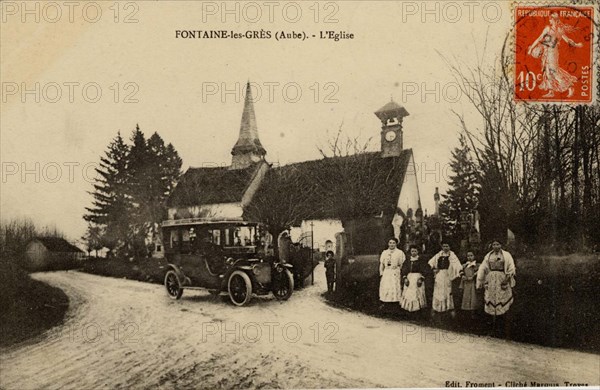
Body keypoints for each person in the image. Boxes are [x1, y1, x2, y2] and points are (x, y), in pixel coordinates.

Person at [527, 12, 583, 98]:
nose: (550, 21)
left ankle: (570, 86)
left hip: (553, 53)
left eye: (551, 19)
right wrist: (531, 48)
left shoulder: (560, 30)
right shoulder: (547, 29)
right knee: (547, 72)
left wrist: (576, 45)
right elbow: (539, 38)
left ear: (555, 20)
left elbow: (567, 40)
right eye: (550, 19)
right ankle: (551, 91)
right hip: (546, 52)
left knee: (554, 71)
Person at [476, 240, 516, 317]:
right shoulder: (488, 255)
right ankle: (492, 318)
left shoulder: (506, 255)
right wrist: (481, 280)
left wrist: (506, 280)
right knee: (490, 297)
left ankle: (502, 317)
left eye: (497, 244)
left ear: (501, 245)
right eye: (494, 244)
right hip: (491, 279)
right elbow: (483, 267)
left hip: (502, 278)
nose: (495, 246)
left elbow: (511, 268)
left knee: (502, 297)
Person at [428, 243, 461, 316]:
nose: (445, 248)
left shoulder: (452, 255)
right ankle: (437, 309)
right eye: (444, 246)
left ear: (449, 247)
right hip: (439, 275)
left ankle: (447, 308)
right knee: (438, 291)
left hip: (447, 274)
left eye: (447, 246)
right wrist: (434, 269)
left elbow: (457, 266)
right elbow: (431, 262)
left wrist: (456, 271)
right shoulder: (439, 254)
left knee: (447, 291)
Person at [399, 245, 428, 313]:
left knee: (417, 293)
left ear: (418, 252)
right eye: (412, 251)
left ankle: (417, 311)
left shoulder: (421, 260)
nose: (414, 253)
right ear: (410, 252)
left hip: (417, 277)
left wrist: (421, 278)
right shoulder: (407, 261)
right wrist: (405, 278)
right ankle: (408, 310)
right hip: (409, 278)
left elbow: (425, 270)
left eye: (415, 251)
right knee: (408, 293)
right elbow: (404, 270)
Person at [379, 237, 405, 303]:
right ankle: (386, 303)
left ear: (396, 244)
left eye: (393, 243)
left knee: (395, 287)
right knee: (387, 287)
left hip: (395, 272)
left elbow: (402, 264)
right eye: (390, 243)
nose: (392, 244)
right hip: (387, 272)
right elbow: (382, 264)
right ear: (388, 244)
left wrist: (398, 271)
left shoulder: (400, 252)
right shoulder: (384, 252)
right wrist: (381, 273)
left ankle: (395, 302)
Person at [459, 251, 481, 317]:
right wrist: (463, 275)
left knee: (473, 297)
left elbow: (478, 272)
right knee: (466, 297)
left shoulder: (477, 265)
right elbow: (461, 271)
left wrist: (473, 276)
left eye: (471, 256)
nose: (469, 257)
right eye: (468, 256)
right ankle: (466, 313)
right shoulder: (465, 265)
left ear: (474, 256)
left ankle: (473, 313)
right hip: (466, 283)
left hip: (472, 283)